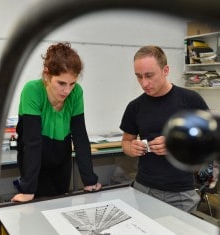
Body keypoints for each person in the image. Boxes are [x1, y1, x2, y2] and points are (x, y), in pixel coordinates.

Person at [119, 45, 209, 212]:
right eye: (138, 77)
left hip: (180, 193)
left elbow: (210, 141)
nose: (144, 83)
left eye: (149, 75)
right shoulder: (135, 107)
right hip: (143, 189)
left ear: (165, 70)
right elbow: (126, 142)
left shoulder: (190, 100)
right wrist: (131, 148)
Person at [11, 42, 101, 202]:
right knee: (40, 208)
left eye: (72, 84)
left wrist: (89, 180)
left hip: (61, 157)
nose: (67, 90)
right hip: (34, 158)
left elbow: (80, 137)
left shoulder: (76, 93)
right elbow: (32, 143)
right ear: (47, 75)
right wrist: (28, 189)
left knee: (60, 204)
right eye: (61, 83)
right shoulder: (32, 90)